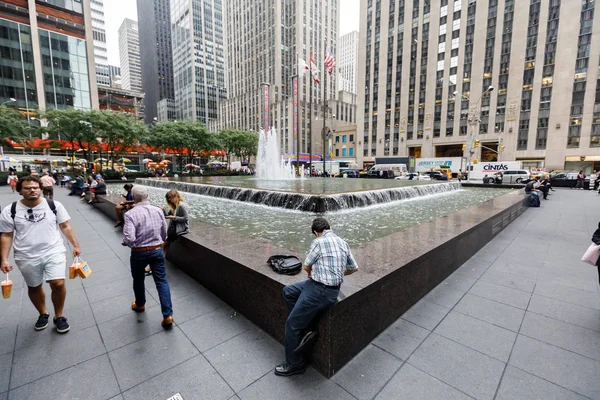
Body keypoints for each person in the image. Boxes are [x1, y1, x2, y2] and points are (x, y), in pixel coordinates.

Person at [275, 218, 358, 377]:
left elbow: (306, 266)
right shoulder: (342, 242)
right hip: (329, 290)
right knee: (288, 291)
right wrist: (338, 273)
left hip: (319, 290)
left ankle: (295, 364)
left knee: (292, 324)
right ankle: (306, 327)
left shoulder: (318, 242)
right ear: (329, 228)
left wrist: (315, 271)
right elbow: (354, 268)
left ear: (316, 232)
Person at [0, 176, 81, 333]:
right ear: (19, 191)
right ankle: (43, 313)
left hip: (53, 250)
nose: (32, 190)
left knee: (58, 283)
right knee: (34, 286)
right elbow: (6, 235)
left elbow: (65, 226)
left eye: (36, 187)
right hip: (26, 255)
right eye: (28, 188)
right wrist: (3, 259)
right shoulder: (10, 210)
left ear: (41, 189)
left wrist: (75, 245)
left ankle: (59, 316)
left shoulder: (54, 205)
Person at [122, 185, 174, 329]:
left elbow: (130, 238)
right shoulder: (158, 211)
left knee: (138, 279)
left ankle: (140, 304)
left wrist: (125, 242)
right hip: (157, 250)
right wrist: (158, 243)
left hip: (139, 252)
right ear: (147, 196)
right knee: (162, 282)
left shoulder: (130, 214)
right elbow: (164, 233)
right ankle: (167, 315)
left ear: (133, 197)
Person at [163, 189, 189, 259]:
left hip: (178, 228)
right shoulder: (174, 205)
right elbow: (168, 215)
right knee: (165, 246)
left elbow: (186, 219)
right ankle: (162, 261)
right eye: (168, 198)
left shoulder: (181, 205)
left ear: (176, 196)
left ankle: (153, 265)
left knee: (162, 246)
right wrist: (163, 211)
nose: (169, 200)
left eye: (171, 198)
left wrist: (174, 217)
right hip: (173, 227)